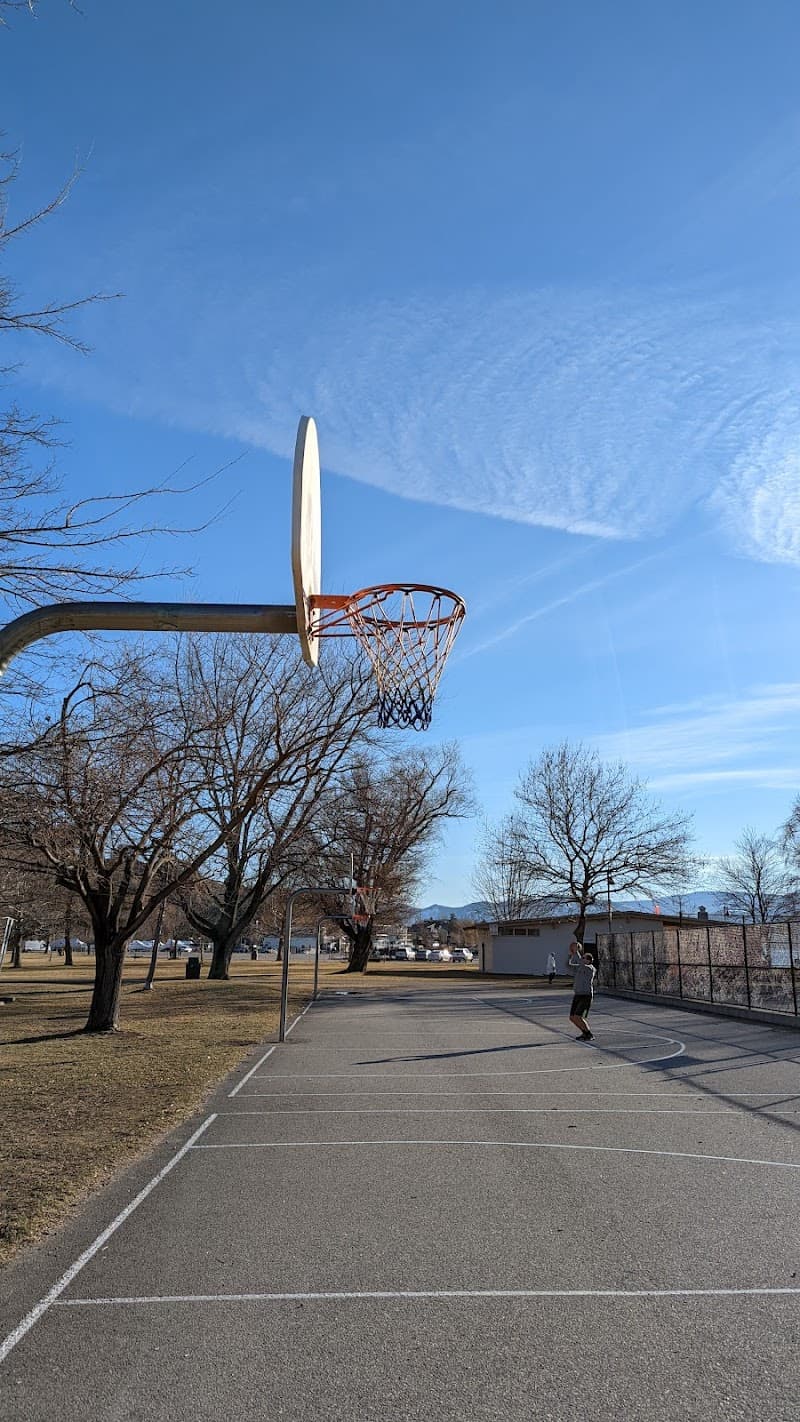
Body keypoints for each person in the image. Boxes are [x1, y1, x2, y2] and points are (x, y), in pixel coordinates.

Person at [567, 941, 595, 1040]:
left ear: (589, 960)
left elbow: (580, 963)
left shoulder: (590, 968)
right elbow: (569, 965)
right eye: (582, 958)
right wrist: (571, 954)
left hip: (586, 996)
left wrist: (576, 951)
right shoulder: (580, 967)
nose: (582, 959)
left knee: (579, 1016)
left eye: (584, 958)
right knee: (572, 1017)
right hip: (578, 994)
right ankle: (585, 1033)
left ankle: (589, 1034)